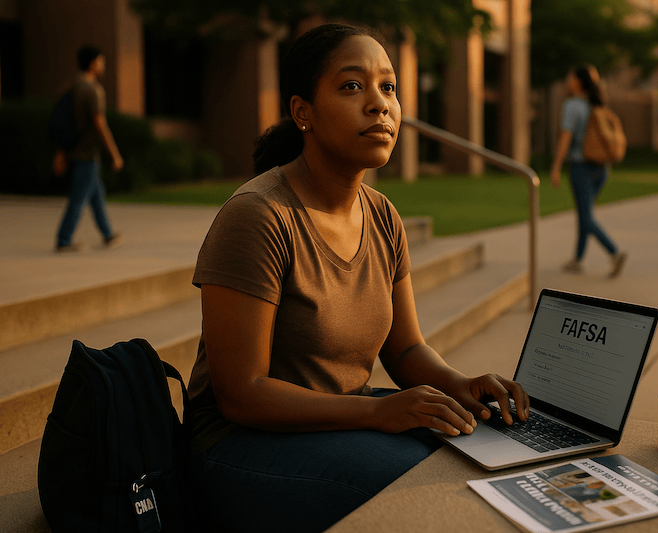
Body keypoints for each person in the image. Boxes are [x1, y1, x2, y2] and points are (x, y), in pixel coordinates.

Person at [187, 23, 530, 532]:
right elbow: (242, 393)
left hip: (344, 419)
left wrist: (461, 385)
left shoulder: (383, 216)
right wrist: (377, 414)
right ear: (303, 112)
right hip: (239, 443)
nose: (379, 104)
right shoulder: (258, 216)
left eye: (388, 87)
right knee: (429, 488)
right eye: (352, 86)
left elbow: (406, 350)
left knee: (483, 448)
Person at [550, 65, 626, 278]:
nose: (567, 80)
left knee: (586, 216)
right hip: (602, 169)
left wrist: (556, 167)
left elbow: (565, 138)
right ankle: (577, 259)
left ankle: (615, 252)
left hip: (581, 166)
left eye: (570, 77)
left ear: (578, 82)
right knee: (586, 214)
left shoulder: (572, 105)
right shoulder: (597, 104)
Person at [53, 45, 123, 252]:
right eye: (101, 61)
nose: (104, 65)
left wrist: (61, 151)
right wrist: (115, 154)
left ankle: (108, 234)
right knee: (79, 197)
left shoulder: (73, 86)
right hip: (87, 152)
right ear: (93, 63)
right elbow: (99, 124)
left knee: (96, 194)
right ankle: (63, 239)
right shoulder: (92, 89)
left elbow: (64, 121)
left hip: (76, 149)